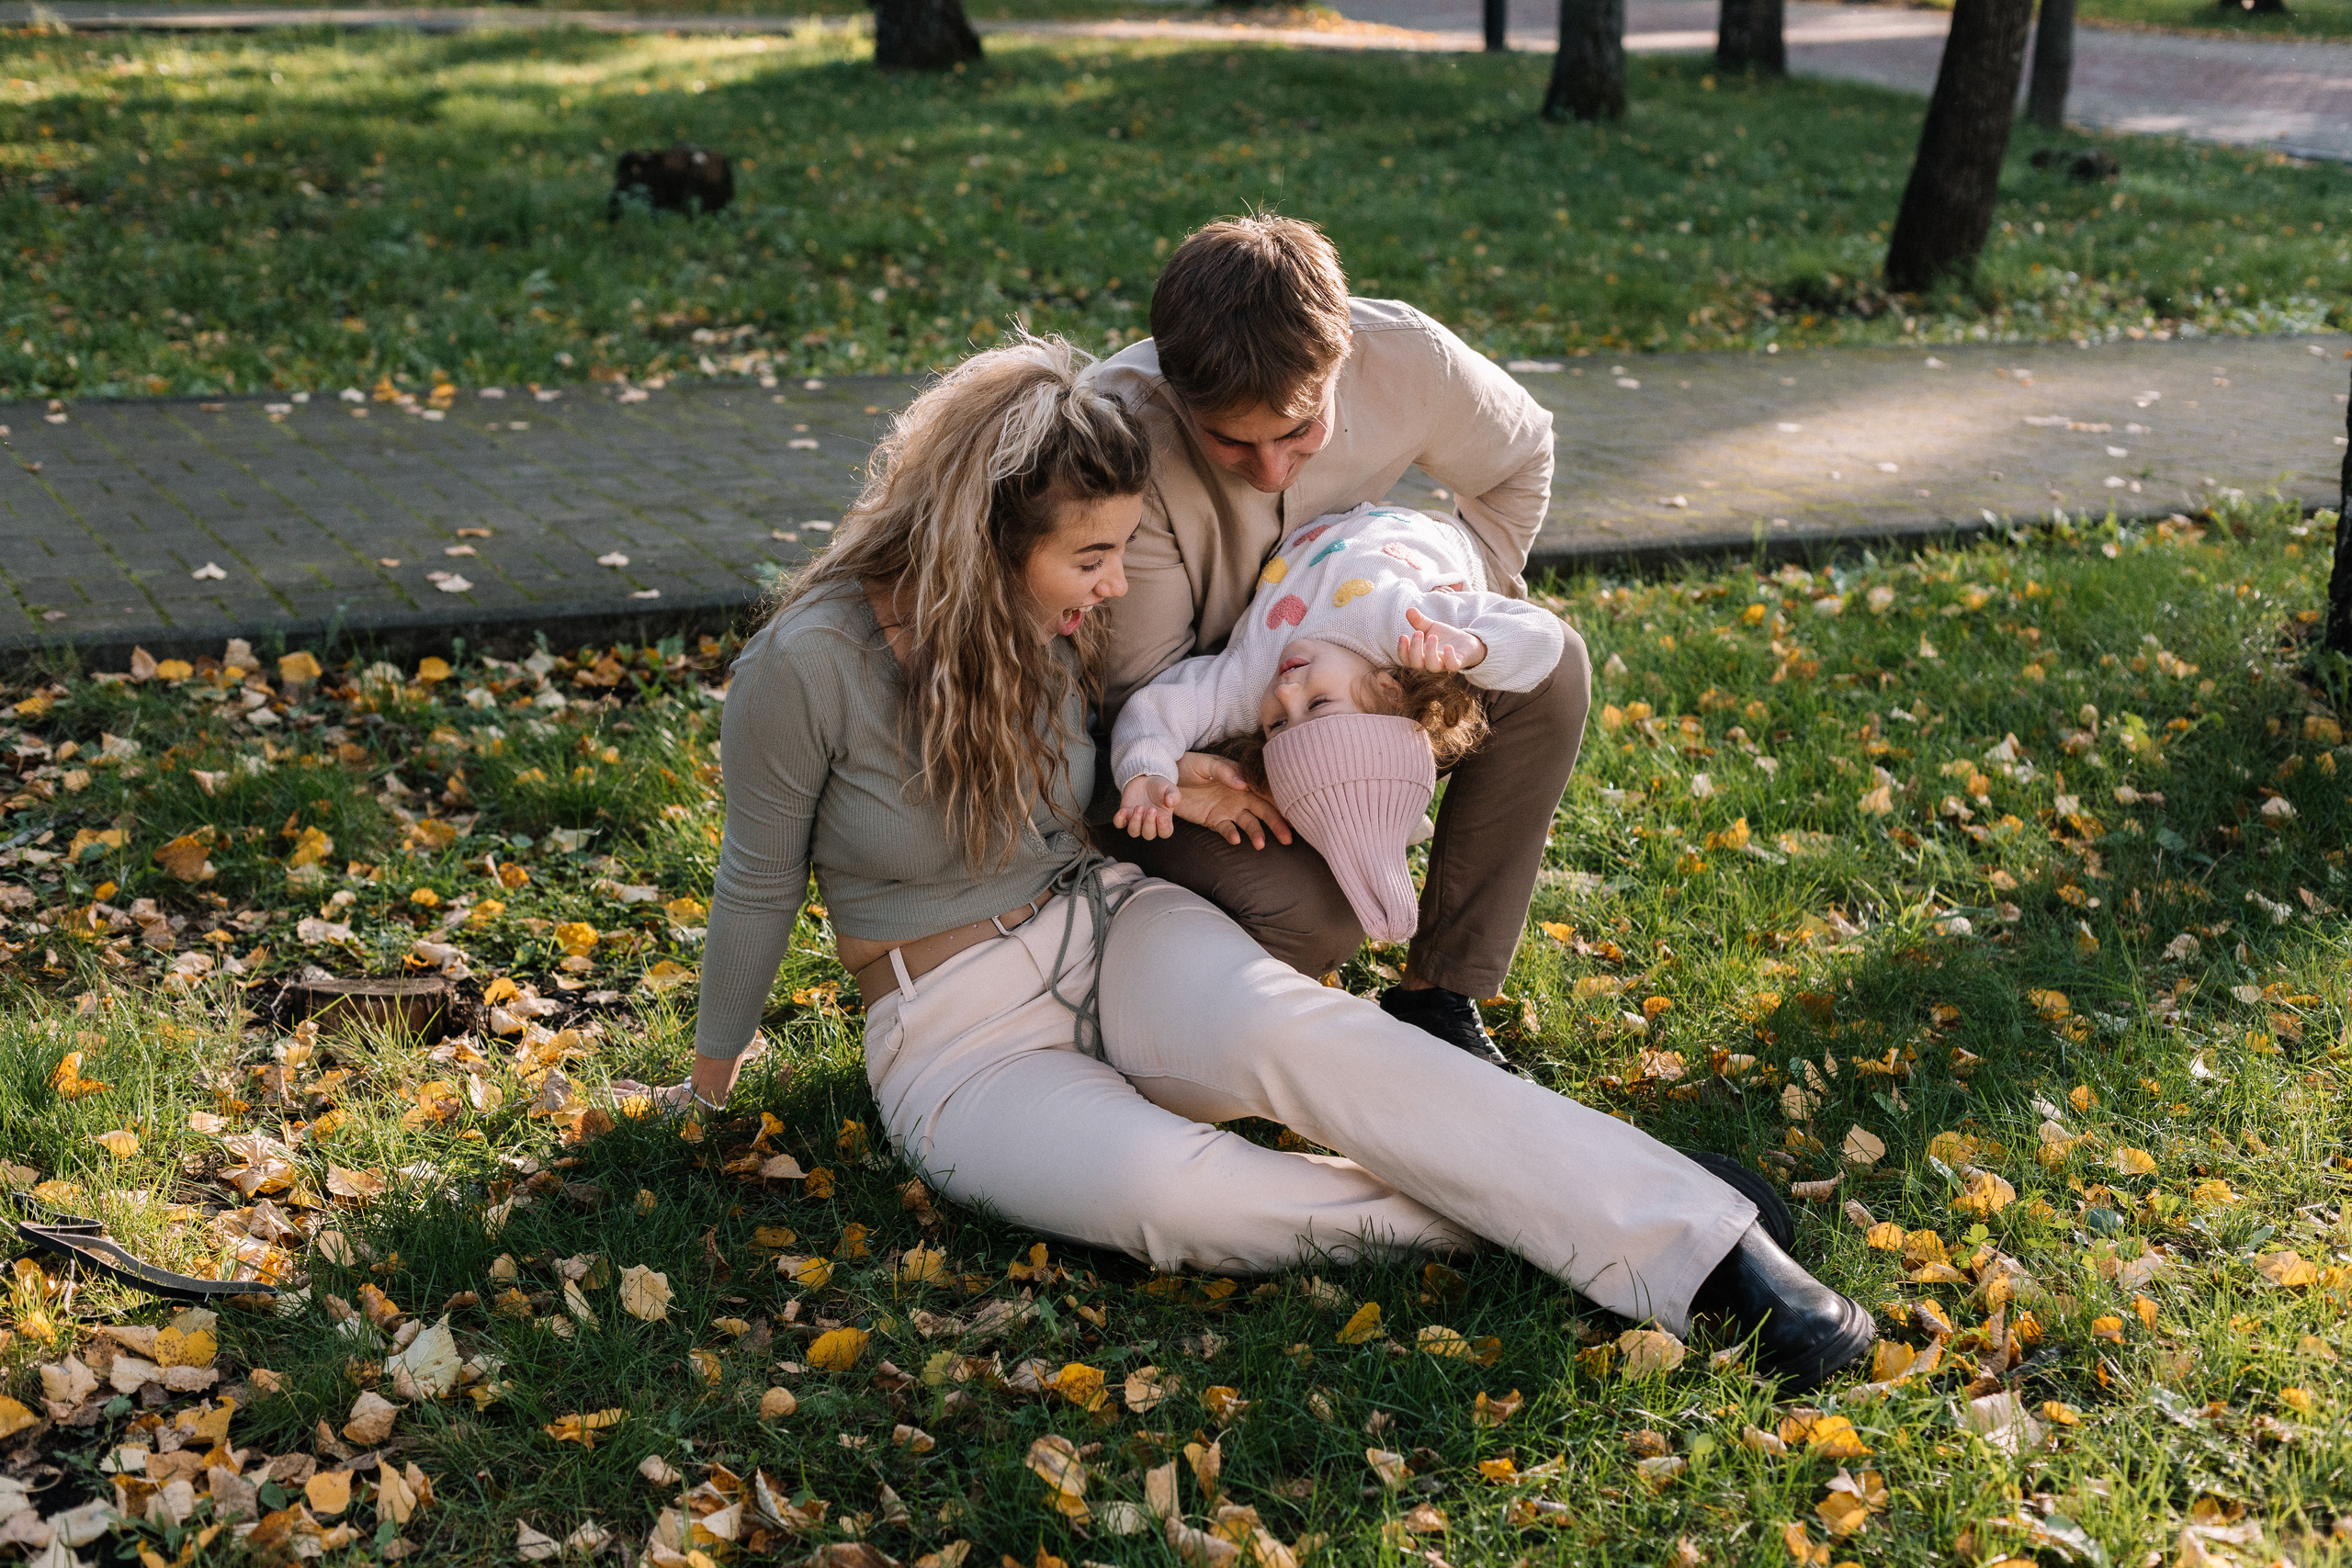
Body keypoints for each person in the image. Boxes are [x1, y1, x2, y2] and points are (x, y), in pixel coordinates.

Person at [681, 333, 1875, 1391]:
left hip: (1106, 927)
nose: (1112, 587)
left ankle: (1707, 1252)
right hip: (952, 1037)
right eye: (1090, 557)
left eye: (1118, 553)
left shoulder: (1036, 619)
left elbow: (1064, 774)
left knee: (1311, 1040)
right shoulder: (808, 662)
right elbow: (756, 879)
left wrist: (1174, 772)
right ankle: (1552, 1210)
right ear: (986, 531)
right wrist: (706, 1090)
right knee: (1179, 1196)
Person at [1092, 215, 1584, 1066]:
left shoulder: (1406, 359)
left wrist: (1457, 603)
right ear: (1177, 392)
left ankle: (1441, 992)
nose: (1275, 469)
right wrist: (1273, 750)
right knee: (1316, 915)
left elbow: (1519, 453)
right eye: (1231, 442)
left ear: (1341, 362)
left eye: (1299, 431)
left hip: (1361, 655)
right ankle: (1151, 995)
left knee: (1552, 665)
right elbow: (1137, 695)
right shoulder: (1117, 436)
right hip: (1187, 731)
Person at [1109, 501, 1564, 972]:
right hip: (1416, 528)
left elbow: (1155, 708)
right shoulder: (1404, 625)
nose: (1286, 693)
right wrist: (1475, 646)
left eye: (1278, 726)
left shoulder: (1247, 684)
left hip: (1322, 530)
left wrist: (1144, 771)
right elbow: (1543, 636)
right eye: (1319, 705)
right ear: (1388, 692)